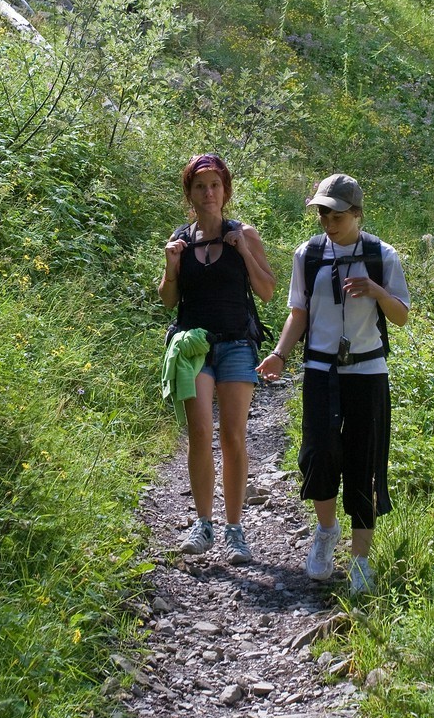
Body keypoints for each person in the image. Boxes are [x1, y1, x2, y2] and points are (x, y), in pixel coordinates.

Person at [257, 172, 410, 593]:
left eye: (336, 214)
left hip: (368, 371)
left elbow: (400, 315)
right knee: (318, 454)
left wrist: (377, 290)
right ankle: (326, 532)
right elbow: (298, 312)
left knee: (364, 461)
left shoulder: (382, 255)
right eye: (322, 212)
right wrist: (280, 353)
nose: (327, 221)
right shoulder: (308, 254)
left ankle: (361, 560)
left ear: (357, 214)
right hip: (321, 371)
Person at [159, 152, 276, 564]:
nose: (208, 193)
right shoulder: (181, 238)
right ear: (189, 193)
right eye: (199, 186)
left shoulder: (243, 232)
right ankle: (203, 523)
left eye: (215, 185)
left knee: (232, 436)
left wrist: (243, 250)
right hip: (194, 345)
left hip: (237, 344)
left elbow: (267, 291)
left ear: (225, 191)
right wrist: (171, 268)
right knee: (199, 434)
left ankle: (234, 528)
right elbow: (169, 299)